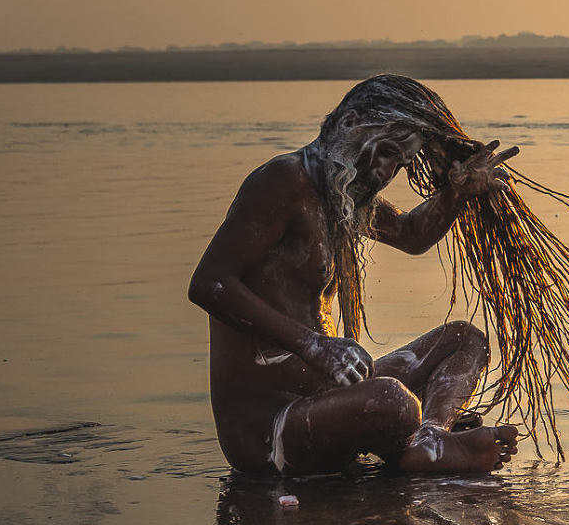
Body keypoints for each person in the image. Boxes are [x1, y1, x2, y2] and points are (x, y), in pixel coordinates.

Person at [189, 74, 521, 476]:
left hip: (330, 395)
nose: (384, 172)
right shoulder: (284, 181)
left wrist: (458, 193)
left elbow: (412, 235)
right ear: (349, 124)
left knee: (465, 340)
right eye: (383, 151)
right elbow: (209, 283)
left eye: (399, 162)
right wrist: (315, 347)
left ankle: (430, 437)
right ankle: (417, 444)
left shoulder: (341, 194)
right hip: (269, 430)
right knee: (392, 402)